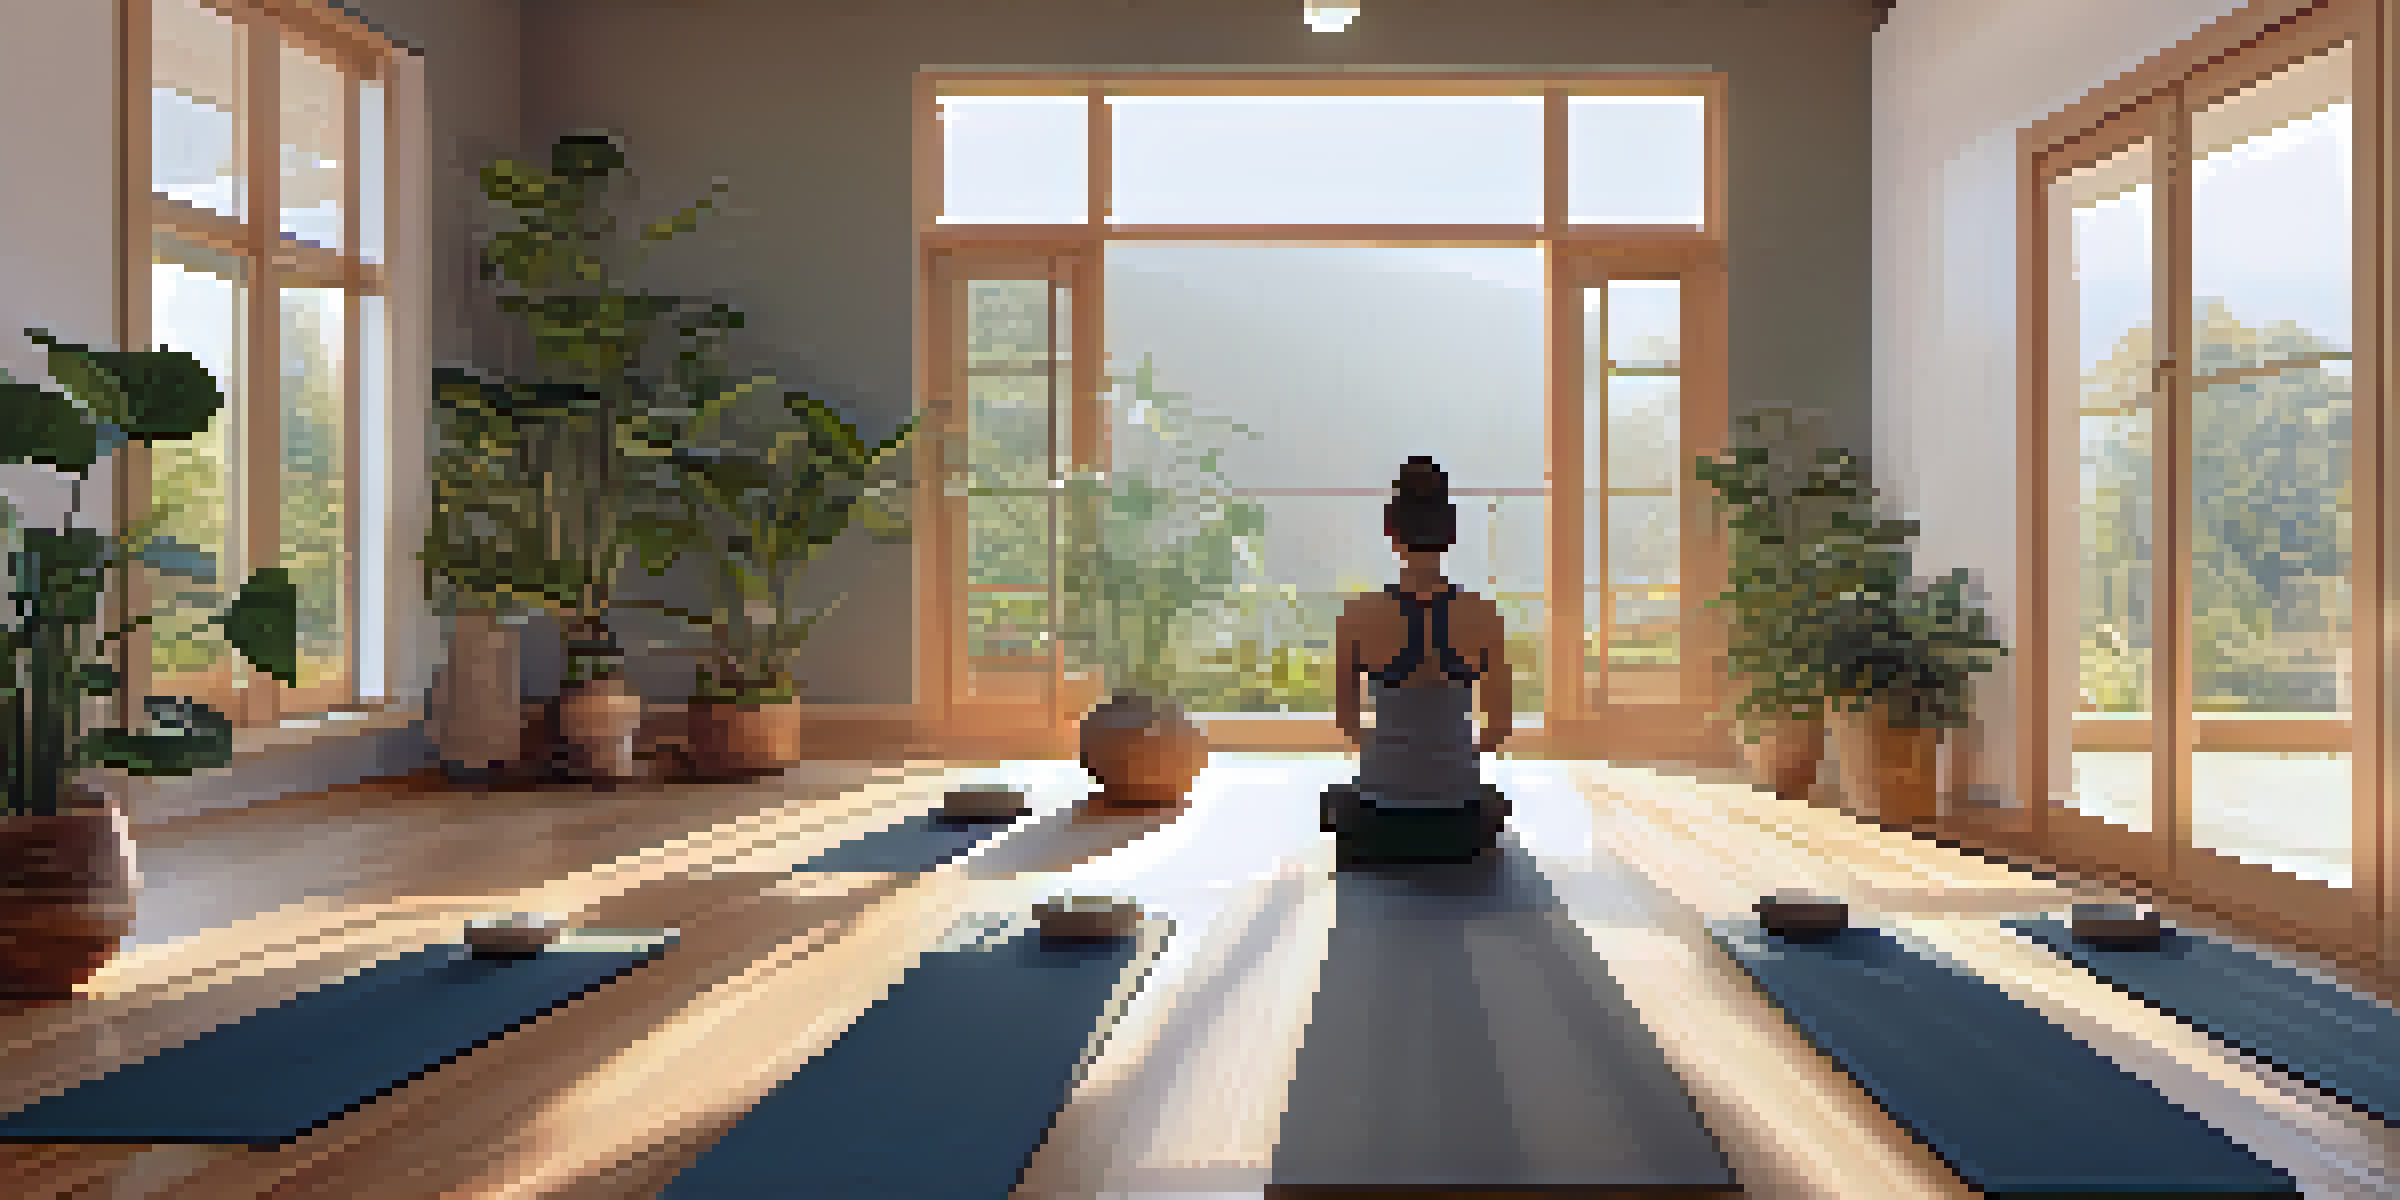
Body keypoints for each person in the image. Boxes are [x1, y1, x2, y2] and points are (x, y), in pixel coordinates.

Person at [1321, 456, 1512, 864]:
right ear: (1451, 531)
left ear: (1392, 532)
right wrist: (1451, 761)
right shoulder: (1483, 614)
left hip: (1382, 817)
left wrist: (1392, 760)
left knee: (1334, 803)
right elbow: (1498, 729)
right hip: (1459, 821)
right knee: (1493, 804)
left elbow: (1347, 723)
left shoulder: (1356, 615)